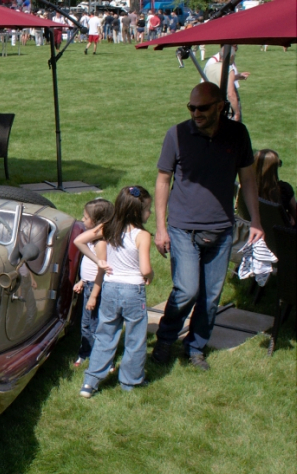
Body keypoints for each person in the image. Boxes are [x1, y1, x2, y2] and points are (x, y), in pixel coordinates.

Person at [151, 83, 263, 371]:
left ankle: (196, 347)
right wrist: (160, 228)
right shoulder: (176, 134)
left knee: (210, 297)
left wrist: (257, 221)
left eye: (202, 108)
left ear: (219, 107)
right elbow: (163, 181)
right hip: (182, 227)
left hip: (222, 228)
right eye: (191, 108)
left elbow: (248, 180)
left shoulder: (238, 134)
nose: (195, 113)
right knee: (187, 290)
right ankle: (165, 339)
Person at [77, 186, 154, 398]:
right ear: (138, 212)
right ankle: (130, 381)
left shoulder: (108, 227)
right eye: (148, 209)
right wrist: (151, 275)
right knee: (135, 338)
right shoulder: (143, 236)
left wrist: (98, 261)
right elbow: (145, 269)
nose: (150, 213)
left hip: (110, 289)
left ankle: (90, 382)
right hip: (132, 291)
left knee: (105, 335)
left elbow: (79, 241)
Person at [72, 198, 114, 367]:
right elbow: (92, 265)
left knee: (93, 325)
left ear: (97, 222)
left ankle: (99, 358)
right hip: (88, 285)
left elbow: (101, 269)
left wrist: (93, 296)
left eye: (86, 217)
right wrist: (82, 280)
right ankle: (86, 353)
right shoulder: (95, 240)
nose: (82, 220)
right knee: (87, 324)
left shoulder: (101, 243)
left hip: (95, 288)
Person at [254, 149, 296, 227]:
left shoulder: (247, 191)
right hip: (283, 235)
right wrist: (289, 217)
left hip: (256, 233)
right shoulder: (284, 189)